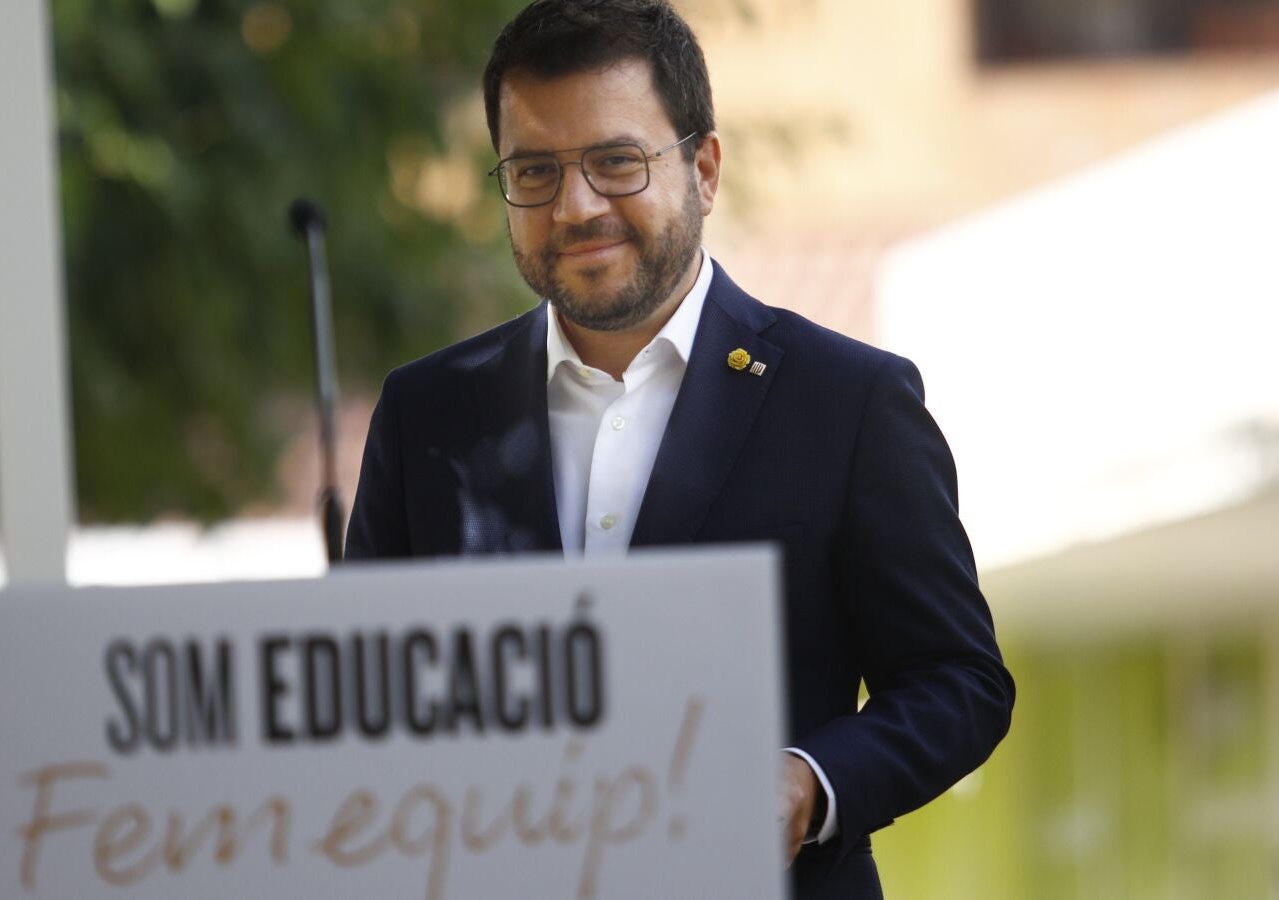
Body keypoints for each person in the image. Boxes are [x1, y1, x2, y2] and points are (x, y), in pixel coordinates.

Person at [344, 1, 1014, 896]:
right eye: (535, 171)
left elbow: (958, 683)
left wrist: (808, 784)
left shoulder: (848, 401)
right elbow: (364, 704)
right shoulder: (425, 414)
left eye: (616, 162)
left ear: (703, 170)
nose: (576, 207)